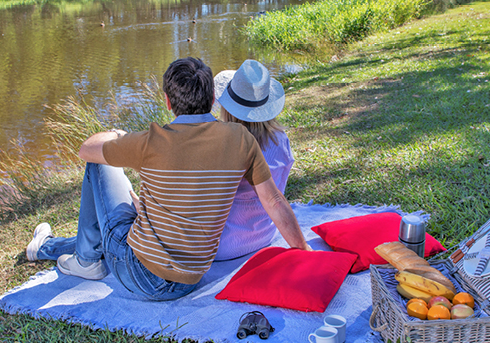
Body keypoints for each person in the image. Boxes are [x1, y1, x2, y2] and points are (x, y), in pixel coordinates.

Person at [25, 57, 310, 301]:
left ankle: (84, 260)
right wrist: (305, 252)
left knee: (99, 165)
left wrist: (118, 136)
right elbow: (274, 199)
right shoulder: (242, 140)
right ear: (212, 99)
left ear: (167, 101)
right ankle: (52, 247)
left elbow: (85, 149)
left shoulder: (152, 141)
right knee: (126, 217)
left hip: (142, 276)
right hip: (192, 278)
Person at [212, 60, 294, 260]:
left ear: (228, 107)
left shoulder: (223, 145)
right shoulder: (281, 140)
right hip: (264, 234)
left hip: (224, 245)